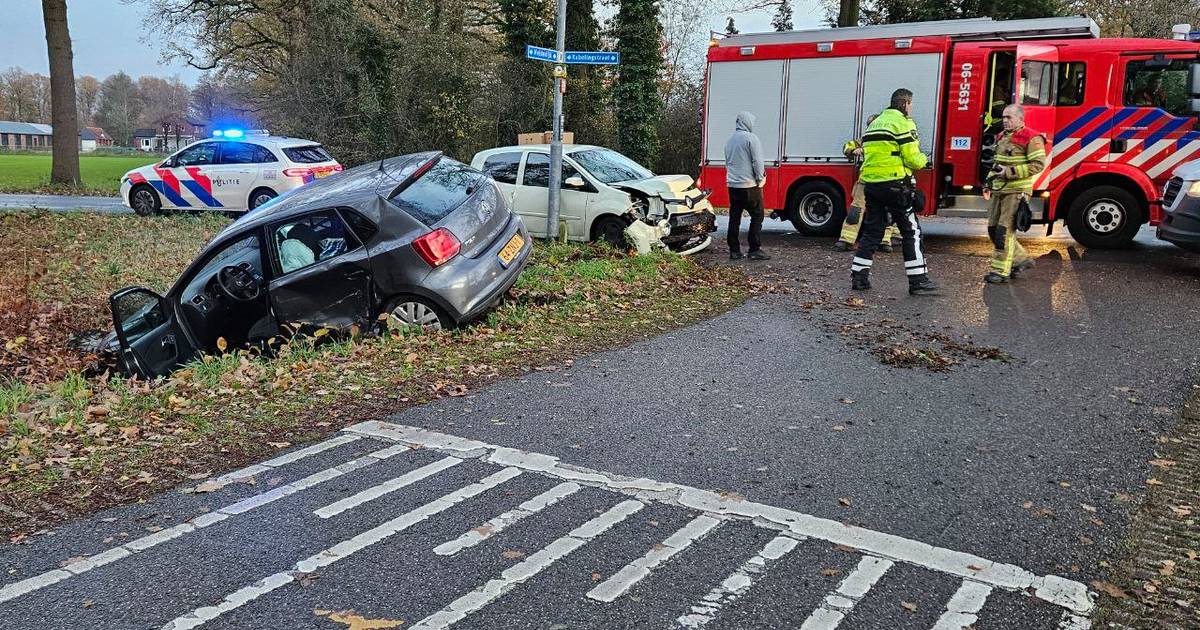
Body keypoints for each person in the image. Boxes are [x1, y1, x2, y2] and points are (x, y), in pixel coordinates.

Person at [850, 88, 938, 295]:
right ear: (906, 103)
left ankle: (859, 277)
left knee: (872, 231)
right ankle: (918, 281)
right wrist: (925, 159)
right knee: (911, 232)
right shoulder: (903, 123)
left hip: (872, 186)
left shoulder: (875, 124)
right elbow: (912, 158)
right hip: (896, 185)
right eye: (911, 105)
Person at [983, 104, 1046, 283]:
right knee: (993, 229)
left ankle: (1000, 271)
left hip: (1016, 190)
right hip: (999, 189)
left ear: (1020, 119)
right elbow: (997, 163)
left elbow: (1038, 165)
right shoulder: (1002, 137)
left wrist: (1009, 172)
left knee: (1004, 230)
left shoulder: (1032, 137)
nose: (1004, 120)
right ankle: (1020, 260)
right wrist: (988, 183)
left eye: (1009, 117)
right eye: (1003, 117)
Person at [834, 115, 899, 253]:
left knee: (886, 213)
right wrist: (852, 150)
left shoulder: (890, 140)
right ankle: (846, 239)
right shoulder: (866, 139)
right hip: (868, 181)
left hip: (883, 181)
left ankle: (885, 241)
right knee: (856, 211)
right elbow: (847, 146)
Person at [724, 111, 769, 260]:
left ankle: (734, 250)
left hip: (733, 186)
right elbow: (757, 161)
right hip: (749, 186)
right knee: (757, 215)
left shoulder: (729, 141)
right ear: (747, 122)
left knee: (734, 218)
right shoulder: (751, 138)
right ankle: (754, 249)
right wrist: (760, 178)